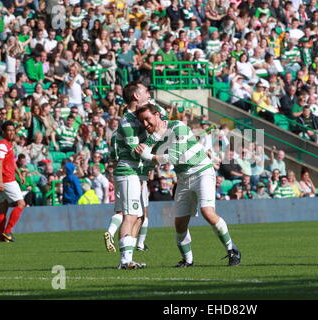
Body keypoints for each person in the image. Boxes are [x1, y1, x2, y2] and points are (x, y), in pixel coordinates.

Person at [135, 104, 241, 267]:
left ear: (157, 115)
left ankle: (232, 250)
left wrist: (147, 156)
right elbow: (143, 154)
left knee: (207, 212)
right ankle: (188, 260)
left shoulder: (178, 127)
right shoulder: (153, 136)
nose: (145, 125)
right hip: (184, 178)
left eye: (147, 119)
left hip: (202, 171)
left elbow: (173, 157)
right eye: (142, 122)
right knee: (179, 222)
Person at [103, 82, 155, 269]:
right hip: (128, 172)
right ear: (136, 96)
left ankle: (128, 259)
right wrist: (156, 136)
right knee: (130, 215)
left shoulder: (142, 115)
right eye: (145, 91)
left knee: (139, 217)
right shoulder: (126, 122)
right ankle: (124, 260)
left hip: (138, 173)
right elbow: (135, 152)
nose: (148, 94)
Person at [0, 121, 26, 242]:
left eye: (13, 130)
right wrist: (1, 181)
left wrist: (19, 174)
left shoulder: (8, 144)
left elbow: (11, 161)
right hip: (6, 180)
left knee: (3, 207)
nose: (11, 132)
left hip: (7, 179)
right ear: (3, 131)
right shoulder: (2, 144)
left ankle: (1, 236)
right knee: (21, 204)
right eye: (9, 130)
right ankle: (7, 232)